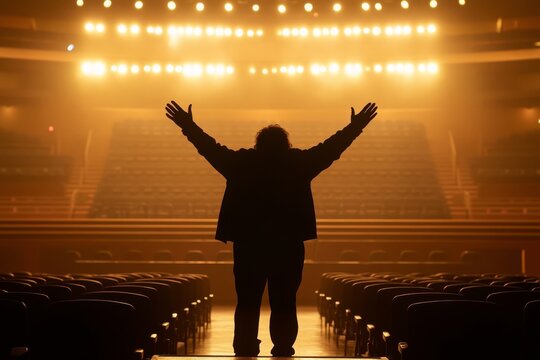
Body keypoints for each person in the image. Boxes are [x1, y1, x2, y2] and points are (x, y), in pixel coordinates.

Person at [165, 101, 378, 356]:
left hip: (249, 245)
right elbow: (332, 148)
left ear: (258, 144)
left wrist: (186, 125)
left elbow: (207, 147)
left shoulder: (239, 163)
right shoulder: (299, 163)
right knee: (285, 301)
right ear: (286, 144)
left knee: (247, 301)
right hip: (287, 245)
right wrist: (356, 127)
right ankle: (283, 346)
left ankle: (244, 346)